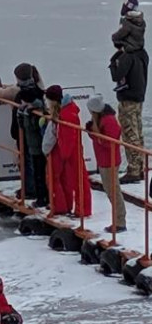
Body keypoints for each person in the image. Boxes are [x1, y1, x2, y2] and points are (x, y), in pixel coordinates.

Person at [43, 85, 92, 217]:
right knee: (70, 179)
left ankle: (82, 210)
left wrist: (64, 153)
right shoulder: (66, 112)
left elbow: (69, 136)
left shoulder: (67, 115)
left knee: (78, 180)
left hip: (71, 151)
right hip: (69, 150)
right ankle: (68, 207)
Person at [86, 94, 126, 233]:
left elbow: (109, 143)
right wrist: (91, 131)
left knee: (113, 192)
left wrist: (96, 134)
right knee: (111, 191)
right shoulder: (100, 119)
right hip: (104, 160)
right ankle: (119, 220)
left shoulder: (108, 121)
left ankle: (120, 221)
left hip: (110, 161)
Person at [109, 42, 149, 184]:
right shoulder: (142, 54)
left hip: (128, 99)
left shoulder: (127, 57)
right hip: (139, 98)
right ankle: (140, 167)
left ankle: (133, 170)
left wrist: (113, 62)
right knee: (138, 132)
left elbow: (117, 76)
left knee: (129, 133)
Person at [11, 76, 48, 207]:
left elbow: (33, 128)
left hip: (36, 145)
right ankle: (38, 194)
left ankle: (40, 196)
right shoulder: (38, 91)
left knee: (39, 172)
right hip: (33, 144)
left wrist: (25, 115)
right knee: (37, 170)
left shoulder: (35, 110)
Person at [111, 0, 146, 93]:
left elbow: (121, 33)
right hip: (137, 46)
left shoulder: (127, 23)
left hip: (129, 47)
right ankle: (123, 82)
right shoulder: (140, 21)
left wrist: (114, 37)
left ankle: (122, 82)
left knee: (117, 61)